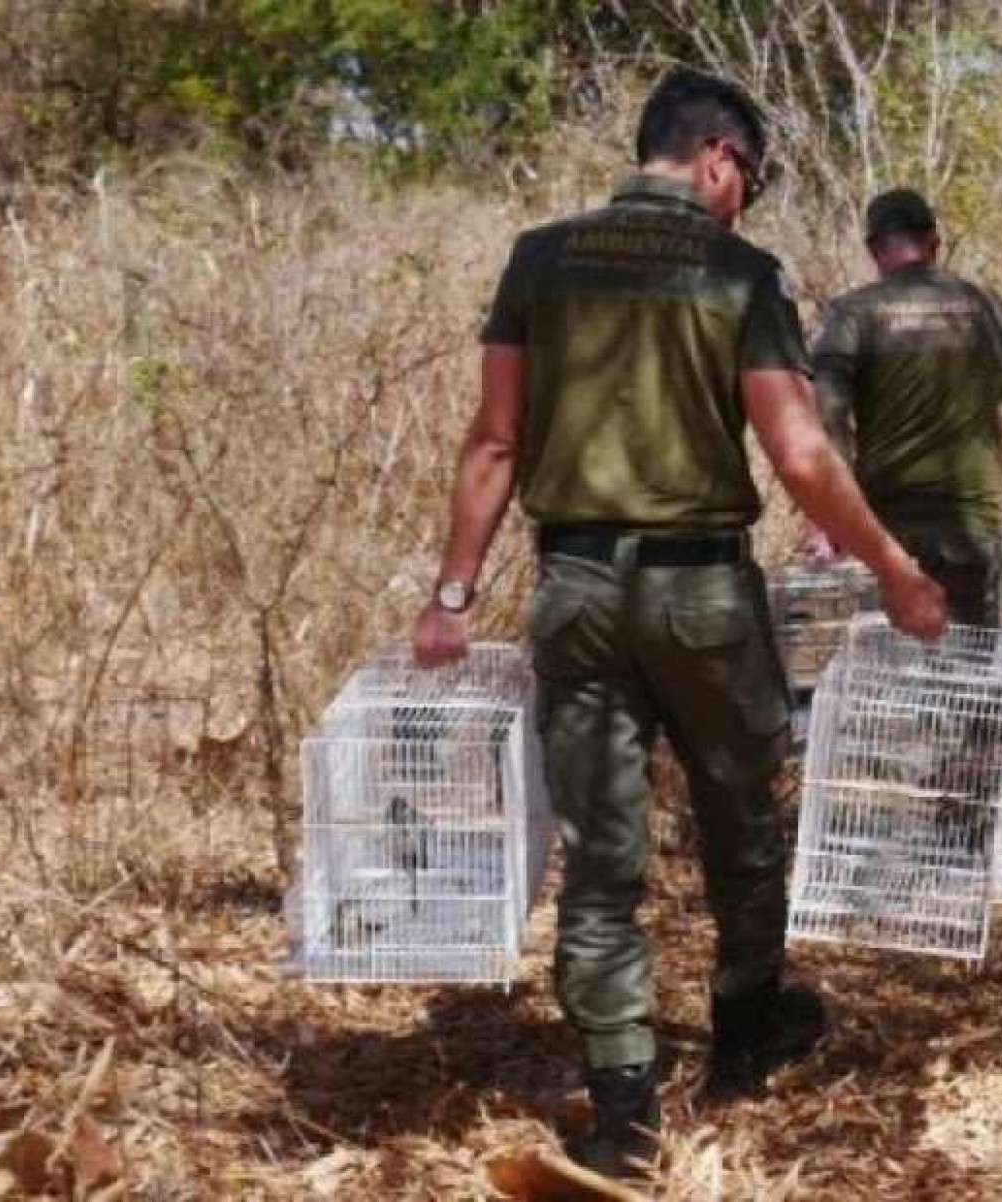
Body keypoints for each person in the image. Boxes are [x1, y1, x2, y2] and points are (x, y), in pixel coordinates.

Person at [408, 69, 947, 1180]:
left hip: (578, 592)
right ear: (713, 158)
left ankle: (622, 1104)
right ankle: (747, 1027)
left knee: (601, 856)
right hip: (702, 593)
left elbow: (495, 443)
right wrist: (894, 567)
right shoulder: (737, 272)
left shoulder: (538, 259)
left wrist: (452, 593)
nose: (742, 196)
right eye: (744, 174)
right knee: (742, 810)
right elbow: (798, 454)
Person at [808, 188, 1002, 625]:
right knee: (969, 673)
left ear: (873, 250)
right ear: (934, 243)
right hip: (971, 526)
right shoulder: (986, 308)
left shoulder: (852, 314)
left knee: (893, 669)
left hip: (884, 530)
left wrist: (833, 516)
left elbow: (827, 421)